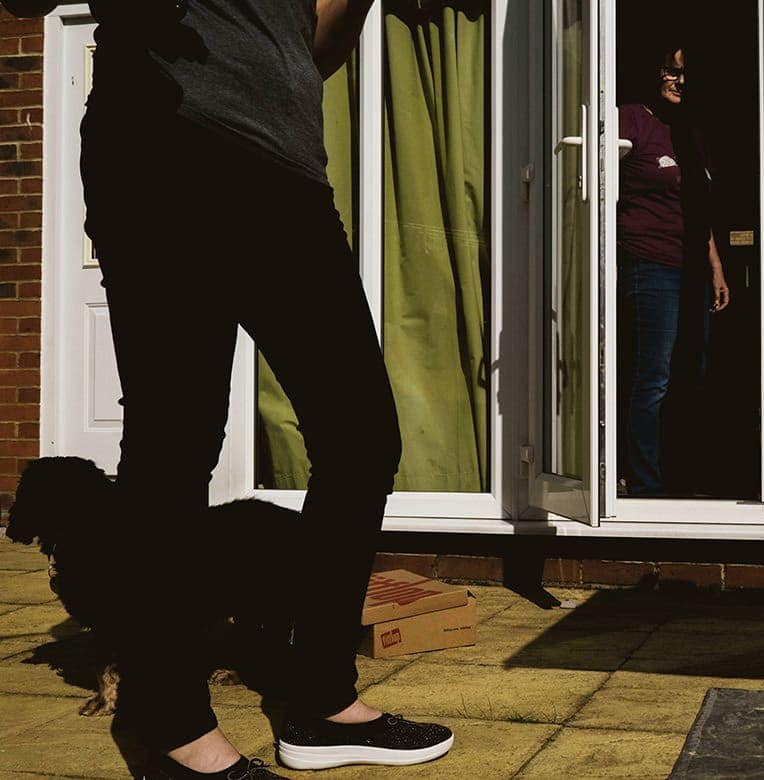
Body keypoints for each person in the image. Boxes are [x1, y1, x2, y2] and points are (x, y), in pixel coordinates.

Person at [1, 0, 453, 777]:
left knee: (361, 437)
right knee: (177, 442)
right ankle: (169, 719)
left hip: (283, 170)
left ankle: (318, 698)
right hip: (165, 144)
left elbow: (308, 49)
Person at [617, 42, 729, 497]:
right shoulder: (631, 118)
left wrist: (716, 268)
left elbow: (699, 210)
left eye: (686, 73)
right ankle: (643, 483)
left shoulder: (690, 133)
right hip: (649, 263)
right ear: (653, 72)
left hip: (691, 270)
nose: (681, 81)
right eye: (671, 72)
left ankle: (680, 477)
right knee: (653, 376)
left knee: (692, 374)